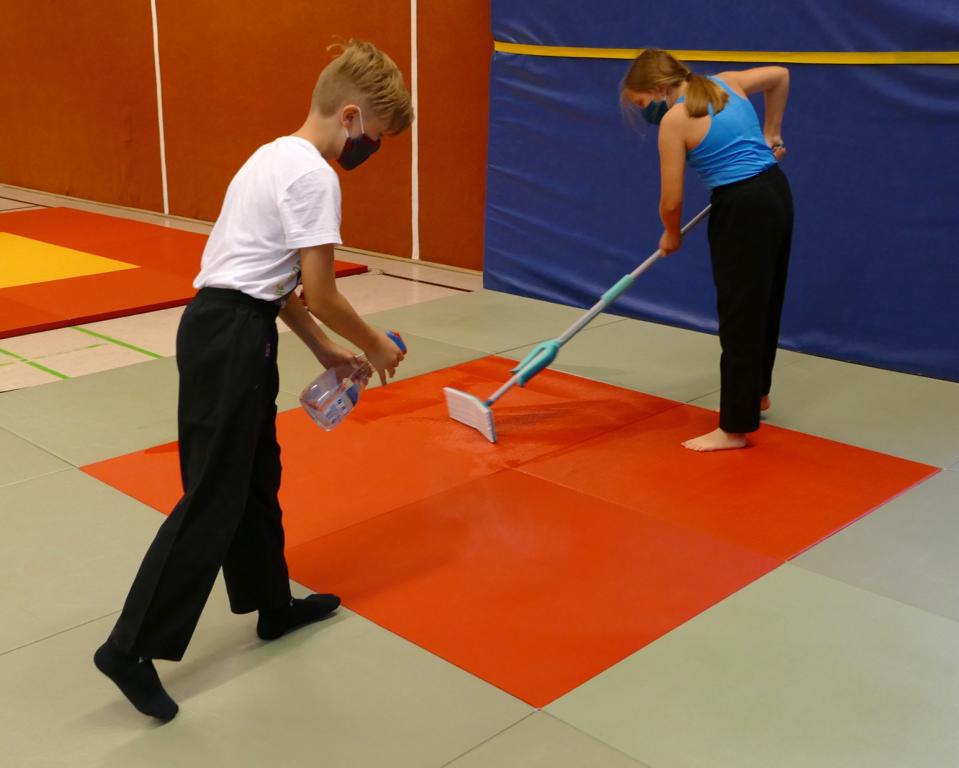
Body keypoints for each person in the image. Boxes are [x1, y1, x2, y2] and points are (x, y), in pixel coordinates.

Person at [94, 38, 411, 721]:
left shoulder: (270, 155)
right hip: (231, 336)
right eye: (375, 137)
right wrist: (373, 346)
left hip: (230, 326)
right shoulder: (315, 177)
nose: (370, 150)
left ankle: (272, 603)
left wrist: (326, 352)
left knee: (255, 476)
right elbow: (321, 291)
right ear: (350, 117)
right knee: (213, 494)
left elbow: (276, 284)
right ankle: (129, 647)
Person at [621, 48, 793, 451]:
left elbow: (671, 201)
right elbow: (781, 75)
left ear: (658, 89)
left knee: (739, 315)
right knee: (764, 304)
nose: (646, 113)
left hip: (742, 208)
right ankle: (756, 396)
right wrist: (771, 133)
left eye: (643, 104)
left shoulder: (675, 119)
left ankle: (733, 428)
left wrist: (671, 234)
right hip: (775, 192)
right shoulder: (727, 82)